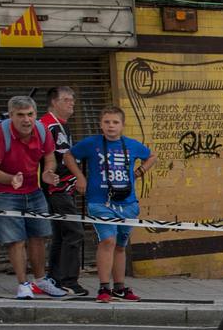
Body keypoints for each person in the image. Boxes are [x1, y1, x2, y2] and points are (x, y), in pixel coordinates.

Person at [65, 106, 156, 303]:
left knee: (121, 246)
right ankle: (103, 288)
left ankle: (120, 287)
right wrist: (80, 177)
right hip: (100, 201)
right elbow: (69, 156)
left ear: (122, 125)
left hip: (128, 202)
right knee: (108, 241)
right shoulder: (92, 143)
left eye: (115, 122)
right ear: (100, 124)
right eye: (107, 122)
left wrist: (139, 172)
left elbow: (151, 156)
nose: (111, 126)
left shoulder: (131, 145)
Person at [0, 95, 67, 299]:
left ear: (36, 114)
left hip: (33, 189)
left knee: (39, 235)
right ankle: (23, 284)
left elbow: (49, 158)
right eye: (20, 115)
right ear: (11, 115)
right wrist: (11, 179)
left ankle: (40, 280)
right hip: (4, 191)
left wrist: (47, 173)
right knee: (16, 240)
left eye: (30, 114)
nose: (26, 120)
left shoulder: (41, 130)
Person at [40, 86, 88, 297]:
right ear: (54, 102)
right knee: (74, 231)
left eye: (73, 100)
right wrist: (77, 176)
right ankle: (69, 280)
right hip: (56, 186)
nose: (72, 103)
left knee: (61, 233)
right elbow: (59, 159)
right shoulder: (50, 126)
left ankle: (55, 277)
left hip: (63, 187)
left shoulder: (62, 126)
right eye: (67, 100)